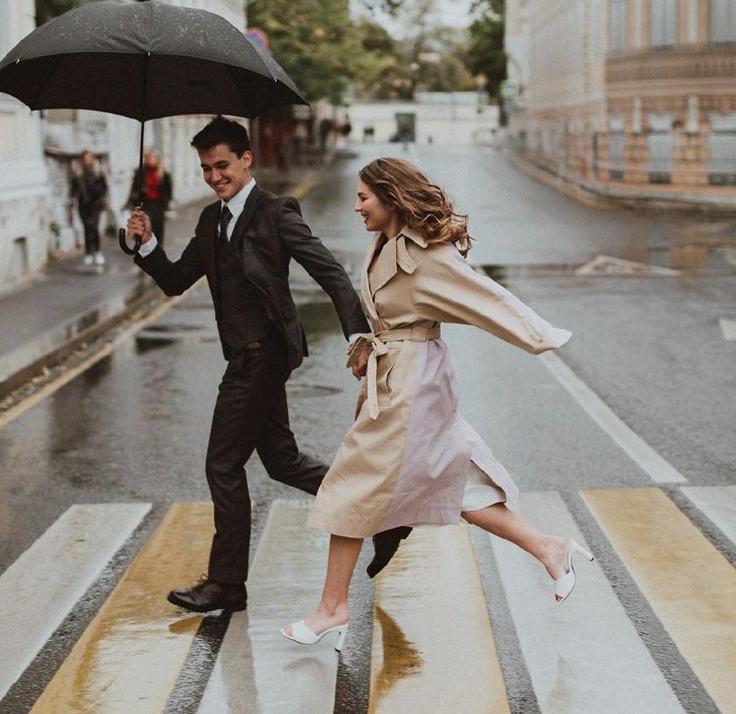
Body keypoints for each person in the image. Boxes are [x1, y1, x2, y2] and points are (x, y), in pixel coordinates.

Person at [281, 157, 593, 650]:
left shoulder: (426, 257)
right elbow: (384, 313)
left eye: (364, 197)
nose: (357, 205)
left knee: (349, 490)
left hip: (412, 387)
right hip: (399, 375)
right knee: (460, 483)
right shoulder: (383, 244)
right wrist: (365, 344)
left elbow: (487, 299)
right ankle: (549, 547)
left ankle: (331, 609)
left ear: (389, 198)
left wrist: (542, 335)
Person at [126, 117, 408, 613]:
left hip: (264, 355)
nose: (215, 177)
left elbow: (328, 270)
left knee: (223, 463)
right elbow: (174, 281)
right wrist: (145, 244)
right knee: (281, 461)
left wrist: (358, 334)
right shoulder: (211, 222)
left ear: (246, 159)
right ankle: (384, 515)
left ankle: (227, 583)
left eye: (223, 166)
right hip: (244, 354)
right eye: (207, 169)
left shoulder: (275, 212)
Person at [128, 149, 173, 247]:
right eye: (150, 157)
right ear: (146, 159)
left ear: (158, 159)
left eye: (154, 157)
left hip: (158, 204)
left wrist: (166, 202)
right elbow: (134, 188)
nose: (152, 159)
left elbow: (168, 190)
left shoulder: (163, 173)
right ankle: (143, 248)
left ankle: (158, 249)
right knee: (145, 228)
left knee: (158, 228)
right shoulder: (141, 172)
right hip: (146, 203)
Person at [71, 150, 108, 266]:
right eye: (85, 157)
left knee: (95, 228)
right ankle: (88, 253)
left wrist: (97, 190)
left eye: (89, 157)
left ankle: (97, 252)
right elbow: (73, 189)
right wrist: (72, 199)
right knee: (87, 228)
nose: (87, 159)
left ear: (92, 159)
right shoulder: (78, 173)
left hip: (95, 204)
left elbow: (104, 188)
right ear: (82, 160)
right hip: (83, 205)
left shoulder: (98, 172)